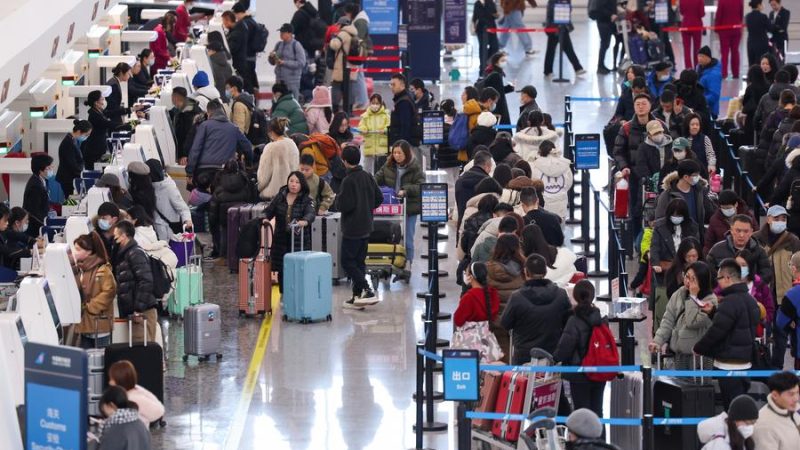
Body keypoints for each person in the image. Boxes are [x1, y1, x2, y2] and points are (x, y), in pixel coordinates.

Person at [694, 259, 761, 409]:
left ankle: (734, 432)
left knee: (731, 408)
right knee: (740, 406)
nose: (717, 283)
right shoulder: (750, 300)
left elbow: (717, 331)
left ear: (727, 278)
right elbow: (737, 325)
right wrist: (713, 312)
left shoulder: (729, 302)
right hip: (746, 362)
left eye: (719, 278)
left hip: (728, 364)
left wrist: (699, 348)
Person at [335, 145, 383, 308]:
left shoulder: (348, 181)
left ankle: (367, 289)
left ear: (345, 161)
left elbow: (343, 205)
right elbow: (379, 198)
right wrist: (367, 208)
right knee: (359, 262)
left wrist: (337, 200)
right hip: (366, 226)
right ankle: (357, 297)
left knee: (347, 261)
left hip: (352, 229)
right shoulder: (367, 176)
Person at [501, 252, 571, 364]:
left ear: (525, 272)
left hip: (524, 357)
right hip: (552, 355)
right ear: (546, 271)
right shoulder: (561, 294)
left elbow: (505, 323)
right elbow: (568, 322)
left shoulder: (517, 297)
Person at [554, 280, 609, 421]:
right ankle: (599, 441)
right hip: (599, 370)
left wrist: (555, 358)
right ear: (593, 296)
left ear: (575, 296)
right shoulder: (602, 319)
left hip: (579, 374)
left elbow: (564, 349)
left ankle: (584, 443)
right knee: (598, 412)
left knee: (581, 413)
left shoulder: (573, 320)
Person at [650, 261, 717, 368]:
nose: (688, 281)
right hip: (676, 354)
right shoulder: (679, 293)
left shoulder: (710, 300)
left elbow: (692, 322)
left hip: (697, 359)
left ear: (702, 281)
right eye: (687, 276)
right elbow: (668, 319)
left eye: (693, 279)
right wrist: (658, 341)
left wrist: (693, 297)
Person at [262, 171, 315, 293]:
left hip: (298, 240)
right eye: (291, 181)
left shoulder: (306, 199)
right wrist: (264, 218)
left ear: (302, 185)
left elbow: (311, 213)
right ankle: (283, 294)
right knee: (282, 267)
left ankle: (298, 294)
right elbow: (269, 210)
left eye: (297, 182)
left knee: (297, 268)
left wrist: (305, 221)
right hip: (281, 238)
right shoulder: (280, 196)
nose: (293, 184)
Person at [374, 140, 424, 265]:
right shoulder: (388, 165)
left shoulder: (415, 167)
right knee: (389, 236)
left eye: (399, 153)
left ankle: (408, 264)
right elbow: (377, 178)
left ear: (406, 154)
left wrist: (405, 190)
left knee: (408, 239)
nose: (396, 155)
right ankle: (389, 260)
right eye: (394, 152)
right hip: (391, 206)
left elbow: (420, 186)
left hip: (410, 206)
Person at [111, 221, 158, 343]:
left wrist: (138, 308)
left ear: (124, 235)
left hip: (142, 312)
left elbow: (146, 281)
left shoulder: (134, 253)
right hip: (136, 311)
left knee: (142, 347)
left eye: (116, 236)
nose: (114, 239)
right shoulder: (125, 253)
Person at [186, 99, 253, 183]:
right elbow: (247, 147)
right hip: (225, 171)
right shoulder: (233, 128)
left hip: (204, 170)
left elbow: (195, 149)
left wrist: (189, 171)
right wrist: (249, 163)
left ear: (209, 112)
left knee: (202, 194)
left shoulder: (204, 126)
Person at [71, 232, 116, 349]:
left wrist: (90, 306)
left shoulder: (103, 270)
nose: (75, 252)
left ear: (89, 251)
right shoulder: (81, 269)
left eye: (78, 249)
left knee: (100, 361)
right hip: (86, 325)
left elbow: (109, 292)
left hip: (99, 325)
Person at [708, 215, 774, 284]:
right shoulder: (717, 250)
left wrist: (752, 286)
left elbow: (766, 274)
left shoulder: (759, 251)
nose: (741, 235)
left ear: (751, 232)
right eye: (738, 231)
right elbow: (710, 275)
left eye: (746, 231)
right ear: (731, 230)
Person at [208, 160, 253, 259]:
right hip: (242, 218)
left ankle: (225, 258)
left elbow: (213, 210)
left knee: (225, 236)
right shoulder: (245, 184)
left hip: (224, 219)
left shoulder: (219, 188)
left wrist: (212, 224)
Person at [453, 262, 502, 353]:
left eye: (466, 273)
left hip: (469, 343)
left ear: (471, 277)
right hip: (488, 342)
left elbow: (458, 320)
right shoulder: (493, 294)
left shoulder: (469, 297)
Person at [654, 159, 712, 227]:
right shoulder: (667, 195)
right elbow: (660, 220)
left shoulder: (700, 192)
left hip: (696, 235)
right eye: (695, 175)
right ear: (685, 177)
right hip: (674, 235)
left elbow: (710, 213)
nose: (697, 178)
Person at [107, 360, 164, 426]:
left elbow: (159, 410)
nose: (110, 383)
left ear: (120, 380)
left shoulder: (133, 398)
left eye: (112, 379)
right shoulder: (136, 390)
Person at [146, 159, 191, 239]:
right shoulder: (151, 186)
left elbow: (182, 207)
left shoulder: (169, 187)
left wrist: (187, 220)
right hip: (158, 229)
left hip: (168, 232)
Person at [83, 90, 128, 170]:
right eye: (102, 99)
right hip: (94, 151)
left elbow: (112, 113)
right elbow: (109, 124)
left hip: (99, 147)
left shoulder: (99, 111)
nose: (103, 102)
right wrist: (127, 126)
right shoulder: (94, 115)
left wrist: (128, 110)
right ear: (96, 103)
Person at [96, 386, 152, 450]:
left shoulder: (114, 430)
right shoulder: (141, 424)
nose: (105, 417)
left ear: (111, 405)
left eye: (104, 411)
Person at [753, 371, 800, 446]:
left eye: (797, 392)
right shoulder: (764, 426)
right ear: (775, 395)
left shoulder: (793, 408)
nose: (796, 398)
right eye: (791, 394)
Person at [258, 117, 301, 200]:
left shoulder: (270, 147)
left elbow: (264, 176)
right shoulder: (292, 144)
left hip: (274, 194)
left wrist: (259, 187)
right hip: (292, 192)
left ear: (270, 132)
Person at [530, 140, 572, 220]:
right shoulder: (563, 164)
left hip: (543, 204)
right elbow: (569, 183)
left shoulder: (535, 165)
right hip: (561, 203)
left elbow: (534, 183)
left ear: (540, 151)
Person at [543, 0, 585, 77]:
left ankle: (578, 68)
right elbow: (551, 11)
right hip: (553, 27)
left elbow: (569, 9)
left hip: (563, 27)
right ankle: (548, 71)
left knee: (568, 48)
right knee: (551, 49)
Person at [343, 3, 372, 110]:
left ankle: (362, 101)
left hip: (358, 52)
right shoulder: (361, 19)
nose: (346, 15)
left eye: (347, 12)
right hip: (360, 51)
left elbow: (358, 37)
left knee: (358, 75)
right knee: (358, 75)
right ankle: (361, 100)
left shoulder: (360, 21)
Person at [456, 151, 493, 230]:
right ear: (487, 166)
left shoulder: (460, 180)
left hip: (462, 225)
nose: (490, 170)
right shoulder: (487, 183)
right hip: (479, 227)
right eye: (490, 167)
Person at [328, 17, 358, 111]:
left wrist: (332, 39)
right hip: (352, 65)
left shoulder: (342, 34)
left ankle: (335, 108)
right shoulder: (355, 34)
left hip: (341, 66)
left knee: (336, 86)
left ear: (342, 25)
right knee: (350, 88)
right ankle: (349, 109)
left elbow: (335, 45)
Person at [56, 119, 91, 197]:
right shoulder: (68, 143)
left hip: (71, 176)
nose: (87, 137)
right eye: (86, 135)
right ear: (79, 132)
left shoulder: (72, 140)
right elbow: (72, 165)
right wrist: (82, 175)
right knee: (70, 201)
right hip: (68, 178)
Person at [271, 23, 306, 100]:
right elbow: (273, 62)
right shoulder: (278, 44)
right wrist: (271, 58)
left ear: (290, 33)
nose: (281, 34)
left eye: (283, 32)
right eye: (280, 32)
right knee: (278, 101)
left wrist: (284, 63)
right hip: (279, 80)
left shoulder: (296, 45)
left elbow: (301, 63)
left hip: (292, 81)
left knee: (292, 101)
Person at [231, 3, 261, 96]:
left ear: (238, 13)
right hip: (251, 56)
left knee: (247, 82)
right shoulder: (251, 21)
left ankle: (250, 101)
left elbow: (243, 42)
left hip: (247, 57)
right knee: (250, 79)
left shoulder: (245, 24)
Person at [22, 153, 53, 238]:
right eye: (48, 168)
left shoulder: (42, 180)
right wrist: (46, 224)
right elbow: (34, 212)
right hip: (36, 227)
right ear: (40, 170)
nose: (51, 170)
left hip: (43, 219)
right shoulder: (35, 186)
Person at [169, 87, 202, 165]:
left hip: (188, 155)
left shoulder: (189, 115)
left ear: (176, 97)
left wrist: (185, 154)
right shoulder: (183, 106)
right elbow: (170, 113)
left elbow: (189, 136)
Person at [358, 93, 390, 172]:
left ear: (380, 104)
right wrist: (364, 129)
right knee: (367, 169)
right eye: (373, 103)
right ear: (370, 103)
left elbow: (389, 126)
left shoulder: (386, 115)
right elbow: (361, 126)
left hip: (382, 148)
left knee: (381, 170)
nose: (375, 105)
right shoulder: (365, 116)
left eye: (377, 103)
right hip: (369, 147)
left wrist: (385, 130)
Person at [221, 10, 250, 96]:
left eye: (224, 21)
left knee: (241, 85)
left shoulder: (236, 34)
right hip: (242, 61)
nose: (223, 24)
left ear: (228, 20)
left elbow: (231, 50)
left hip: (238, 64)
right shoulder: (238, 29)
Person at [481, 52, 514, 125]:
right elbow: (499, 93)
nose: (504, 62)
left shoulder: (494, 73)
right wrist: (510, 88)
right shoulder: (496, 75)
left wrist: (510, 87)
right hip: (498, 107)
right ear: (496, 63)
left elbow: (498, 89)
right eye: (502, 61)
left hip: (494, 104)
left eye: (505, 60)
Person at [716, 0, 744, 79]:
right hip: (736, 28)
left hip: (724, 29)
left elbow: (719, 15)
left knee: (724, 52)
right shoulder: (739, 1)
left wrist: (717, 28)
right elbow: (741, 15)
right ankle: (736, 73)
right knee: (735, 51)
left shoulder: (722, 1)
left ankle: (724, 73)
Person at [388, 74, 418, 146]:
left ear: (402, 85)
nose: (391, 87)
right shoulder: (403, 98)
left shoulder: (404, 102)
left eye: (394, 85)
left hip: (404, 144)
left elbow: (405, 126)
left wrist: (401, 145)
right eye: (390, 85)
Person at [473, 0, 500, 70]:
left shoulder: (491, 3)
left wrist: (495, 15)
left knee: (495, 46)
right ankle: (483, 64)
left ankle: (488, 61)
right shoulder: (477, 4)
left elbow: (495, 14)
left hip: (491, 28)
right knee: (482, 47)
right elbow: (476, 17)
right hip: (481, 29)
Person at [697, 46, 723, 118]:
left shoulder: (714, 74)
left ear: (708, 57)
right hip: (701, 107)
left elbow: (714, 95)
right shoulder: (699, 68)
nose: (699, 59)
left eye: (702, 56)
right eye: (698, 56)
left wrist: (700, 101)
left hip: (709, 110)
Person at [592, 0, 617, 74]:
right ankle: (600, 66)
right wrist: (610, 15)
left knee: (606, 44)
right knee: (604, 43)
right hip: (603, 21)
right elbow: (600, 8)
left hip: (608, 21)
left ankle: (601, 65)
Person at [746, 0, 772, 68]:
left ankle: (751, 77)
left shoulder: (748, 16)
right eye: (762, 4)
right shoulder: (763, 16)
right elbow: (770, 28)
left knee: (751, 63)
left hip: (751, 42)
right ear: (758, 5)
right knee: (761, 63)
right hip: (762, 43)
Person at [680, 0, 705, 69]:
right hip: (696, 25)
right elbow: (702, 14)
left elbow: (681, 12)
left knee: (686, 49)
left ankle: (688, 69)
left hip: (685, 25)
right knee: (697, 49)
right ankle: (697, 68)